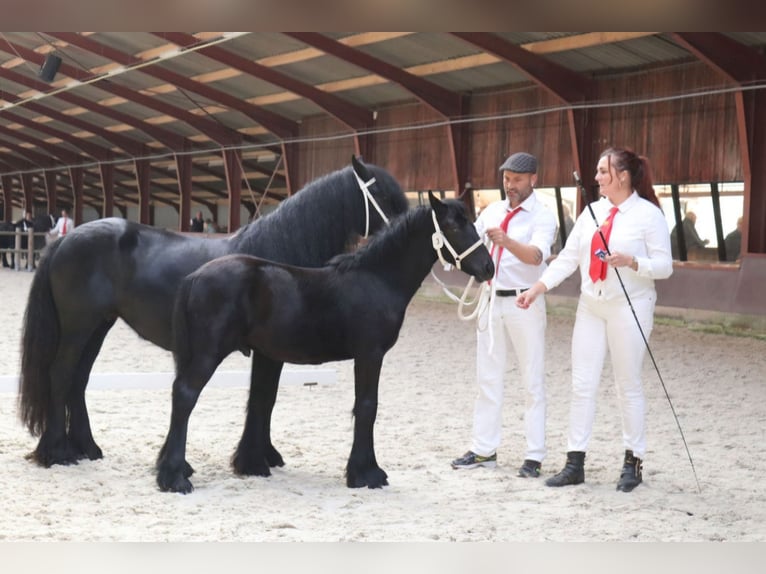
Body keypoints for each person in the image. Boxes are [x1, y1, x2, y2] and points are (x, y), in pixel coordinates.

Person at [517, 147, 673, 492]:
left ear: (623, 176)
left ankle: (633, 461)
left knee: (626, 384)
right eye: (598, 171)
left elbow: (665, 267)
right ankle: (575, 462)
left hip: (630, 305)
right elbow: (568, 258)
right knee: (582, 384)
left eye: (604, 171)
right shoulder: (591, 213)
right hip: (591, 306)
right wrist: (537, 288)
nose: (598, 177)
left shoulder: (648, 215)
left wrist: (633, 262)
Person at [451, 152, 557, 478]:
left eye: (517, 180)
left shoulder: (543, 216)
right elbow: (471, 242)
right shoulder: (493, 211)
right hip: (490, 298)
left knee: (531, 380)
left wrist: (507, 241)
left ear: (533, 180)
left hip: (524, 301)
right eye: (507, 179)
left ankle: (534, 455)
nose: (510, 186)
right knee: (487, 377)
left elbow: (535, 256)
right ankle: (484, 449)